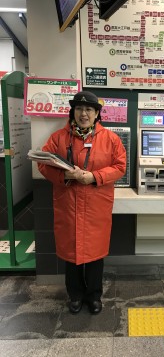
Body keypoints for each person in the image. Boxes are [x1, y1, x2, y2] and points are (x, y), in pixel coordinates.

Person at [38, 91, 126, 315]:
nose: (84, 113)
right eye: (79, 109)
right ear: (73, 112)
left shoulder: (111, 139)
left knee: (95, 255)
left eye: (89, 109)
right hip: (68, 204)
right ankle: (75, 295)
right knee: (72, 254)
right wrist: (64, 176)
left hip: (96, 205)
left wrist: (94, 177)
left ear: (97, 114)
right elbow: (43, 164)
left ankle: (94, 296)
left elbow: (120, 166)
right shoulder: (58, 138)